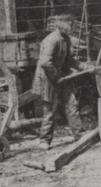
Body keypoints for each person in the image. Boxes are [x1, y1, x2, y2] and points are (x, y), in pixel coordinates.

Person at [32, 14, 91, 150]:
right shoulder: (51, 40)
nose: (72, 27)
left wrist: (85, 66)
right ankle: (44, 140)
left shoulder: (66, 39)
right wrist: (57, 77)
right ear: (62, 25)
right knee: (50, 110)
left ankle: (79, 135)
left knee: (72, 105)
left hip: (60, 77)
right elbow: (46, 63)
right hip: (48, 78)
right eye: (70, 25)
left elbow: (69, 60)